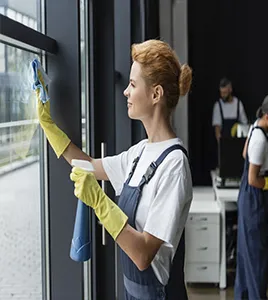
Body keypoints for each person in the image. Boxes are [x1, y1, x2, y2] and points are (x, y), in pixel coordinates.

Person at [36, 39, 193, 300]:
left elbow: (143, 255)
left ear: (156, 94)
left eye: (133, 84)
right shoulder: (140, 152)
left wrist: (99, 202)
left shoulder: (174, 165)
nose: (126, 92)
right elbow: (86, 165)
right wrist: (48, 124)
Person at [234, 93, 268, 300]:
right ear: (267, 116)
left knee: (246, 257)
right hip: (253, 200)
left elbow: (244, 154)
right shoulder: (259, 139)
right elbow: (252, 179)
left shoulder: (258, 126)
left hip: (250, 200)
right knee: (257, 259)